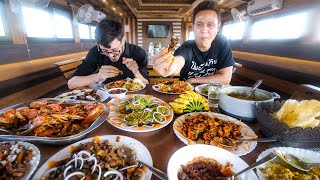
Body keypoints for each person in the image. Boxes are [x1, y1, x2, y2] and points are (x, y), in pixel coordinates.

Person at [152, 1, 235, 85]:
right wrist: (170, 67)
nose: (204, 30)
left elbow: (225, 78)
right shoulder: (187, 46)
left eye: (210, 25)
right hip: (186, 94)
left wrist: (193, 80)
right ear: (193, 27)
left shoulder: (222, 43)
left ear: (218, 27)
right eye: (199, 24)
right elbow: (178, 62)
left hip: (213, 95)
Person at [68, 18, 149, 89]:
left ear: (123, 40)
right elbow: (71, 83)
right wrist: (97, 77)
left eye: (115, 50)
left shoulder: (138, 52)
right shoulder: (95, 52)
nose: (111, 56)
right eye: (105, 51)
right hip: (106, 96)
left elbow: (146, 83)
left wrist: (136, 72)